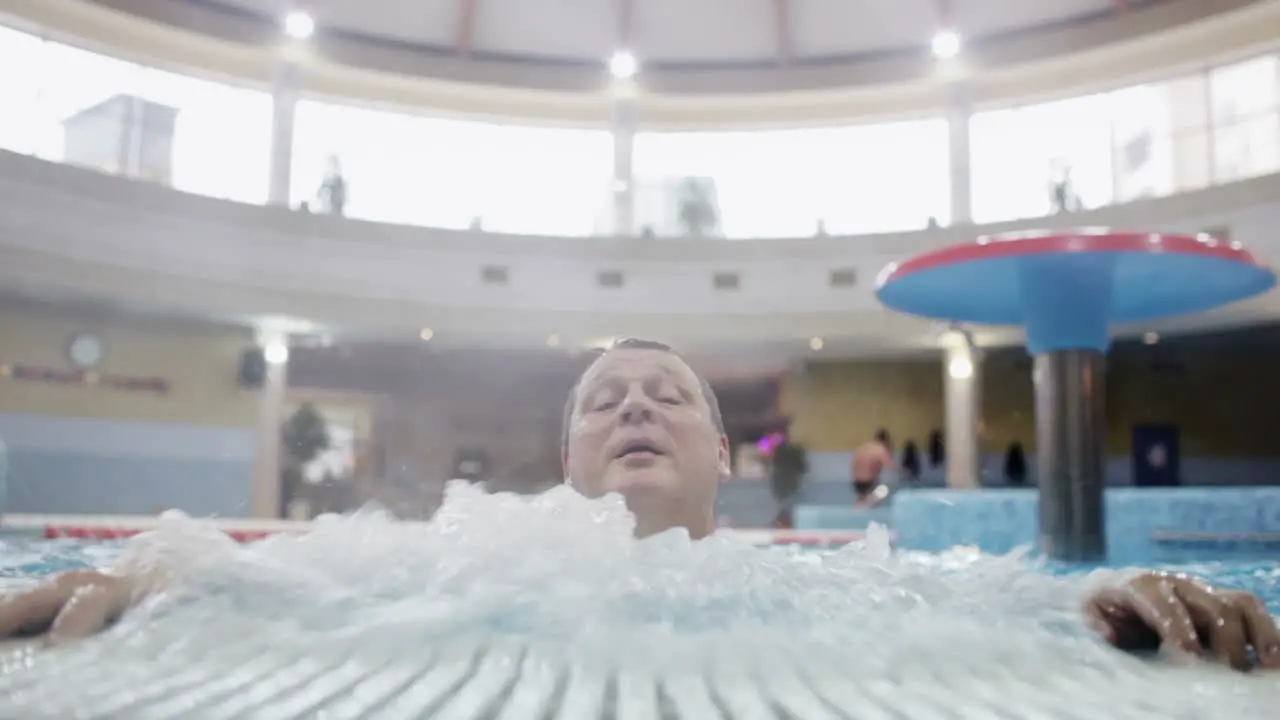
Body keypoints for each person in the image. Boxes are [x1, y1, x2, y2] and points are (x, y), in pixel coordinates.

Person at [0, 338, 1277, 673]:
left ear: (724, 456)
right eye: (604, 399)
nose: (632, 409)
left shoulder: (825, 578)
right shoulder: (467, 559)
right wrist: (154, 578)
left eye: (664, 394)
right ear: (567, 461)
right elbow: (292, 575)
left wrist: (1099, 600)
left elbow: (984, 606)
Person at [852, 429, 895, 507]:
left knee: (862, 501)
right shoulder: (880, 449)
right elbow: (889, 465)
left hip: (857, 481)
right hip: (868, 481)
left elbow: (854, 462)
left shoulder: (865, 447)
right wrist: (904, 470)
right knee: (879, 496)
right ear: (885, 441)